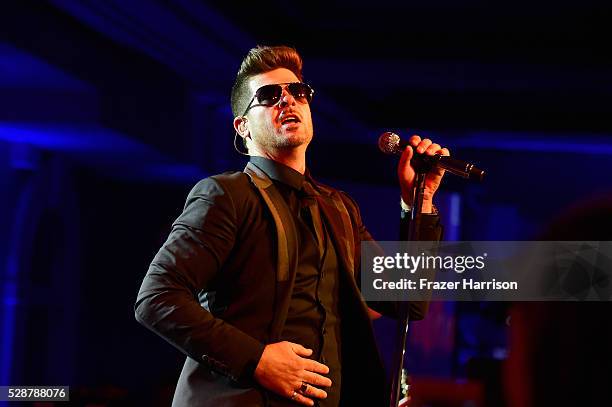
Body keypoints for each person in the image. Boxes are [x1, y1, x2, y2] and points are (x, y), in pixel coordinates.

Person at [135, 45, 449, 407]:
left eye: (298, 92)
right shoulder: (226, 195)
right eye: (269, 96)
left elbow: (406, 301)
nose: (288, 101)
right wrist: (257, 360)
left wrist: (419, 201)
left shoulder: (339, 208)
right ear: (243, 127)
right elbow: (156, 298)